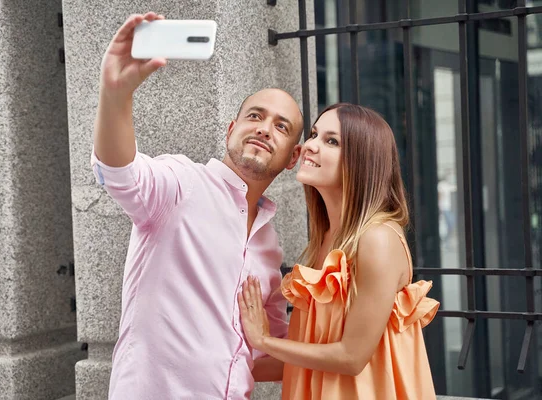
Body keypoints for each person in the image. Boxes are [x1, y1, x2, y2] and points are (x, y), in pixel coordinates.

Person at [91, 12, 306, 400]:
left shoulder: (269, 245)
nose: (263, 128)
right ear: (230, 130)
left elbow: (266, 352)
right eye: (255, 116)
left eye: (281, 126)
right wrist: (115, 94)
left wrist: (352, 349)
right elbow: (120, 174)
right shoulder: (181, 183)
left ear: (293, 158)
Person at [238, 103, 440, 399]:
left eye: (331, 141)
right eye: (315, 134)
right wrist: (213, 367)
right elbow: (305, 360)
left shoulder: (376, 238)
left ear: (362, 160)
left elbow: (351, 357)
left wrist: (263, 340)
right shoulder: (327, 239)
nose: (310, 146)